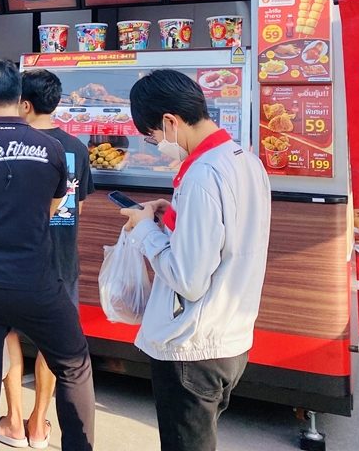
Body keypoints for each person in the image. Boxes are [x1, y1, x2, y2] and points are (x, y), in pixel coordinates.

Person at [0, 60, 95, 451]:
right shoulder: (54, 148)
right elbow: (51, 209)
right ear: (19, 99)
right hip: (36, 280)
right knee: (74, 366)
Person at [122, 69, 271, 451]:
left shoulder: (202, 174)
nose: (154, 143)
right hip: (231, 336)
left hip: (193, 346)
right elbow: (226, 234)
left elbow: (188, 278)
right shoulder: (242, 159)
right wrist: (172, 215)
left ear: (171, 122)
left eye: (152, 135)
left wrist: (144, 230)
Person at [0, 69, 94, 449]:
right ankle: (39, 425)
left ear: (24, 104)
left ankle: (13, 423)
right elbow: (78, 208)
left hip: (13, 260)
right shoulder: (77, 148)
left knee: (7, 334)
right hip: (61, 261)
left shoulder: (11, 146)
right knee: (53, 345)